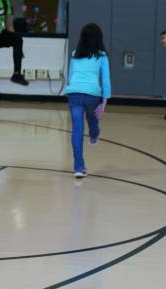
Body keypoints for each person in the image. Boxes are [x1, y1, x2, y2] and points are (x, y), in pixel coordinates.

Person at [62, 23, 111, 179]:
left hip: (74, 94)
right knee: (93, 122)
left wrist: (73, 89)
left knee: (77, 129)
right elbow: (106, 81)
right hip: (92, 95)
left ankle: (78, 167)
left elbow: (70, 77)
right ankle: (94, 135)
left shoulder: (75, 54)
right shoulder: (102, 56)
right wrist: (104, 103)